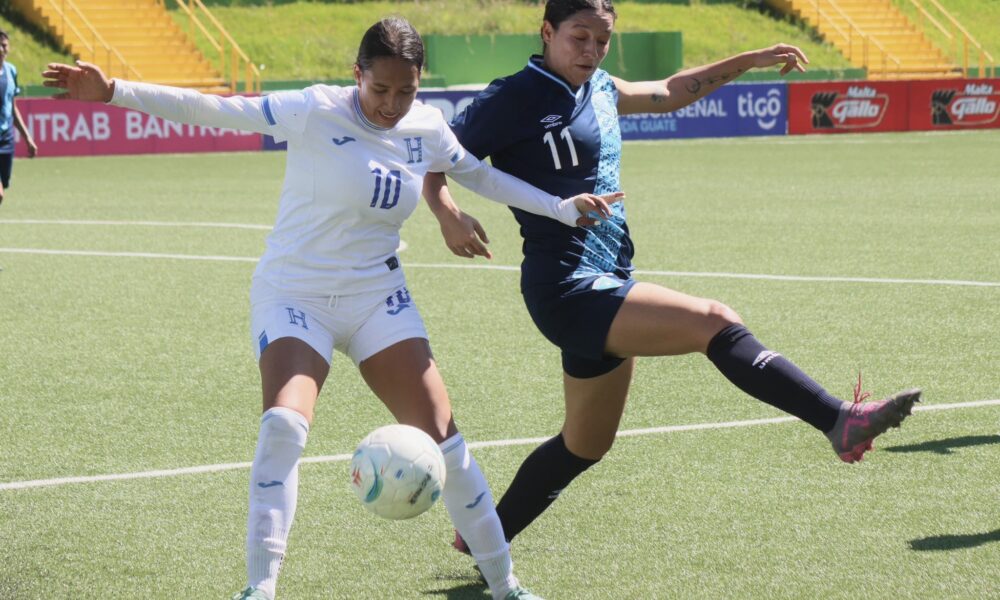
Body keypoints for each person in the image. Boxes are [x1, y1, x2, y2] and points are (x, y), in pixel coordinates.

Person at [43, 17, 621, 600]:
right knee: (284, 426)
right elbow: (214, 108)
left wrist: (560, 207)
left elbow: (479, 176)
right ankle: (260, 588)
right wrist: (114, 91)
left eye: (406, 91)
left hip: (377, 298)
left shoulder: (426, 126)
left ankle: (506, 587)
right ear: (357, 74)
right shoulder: (314, 109)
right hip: (295, 294)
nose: (392, 104)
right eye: (380, 89)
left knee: (447, 442)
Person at [423, 0, 922, 555]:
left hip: (609, 276)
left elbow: (671, 90)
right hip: (566, 287)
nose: (591, 51)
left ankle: (482, 537)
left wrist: (749, 59)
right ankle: (838, 420)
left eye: (602, 41)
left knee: (585, 444)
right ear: (547, 32)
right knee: (714, 321)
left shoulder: (601, 87)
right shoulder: (512, 96)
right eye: (579, 37)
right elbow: (436, 157)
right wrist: (448, 214)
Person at [0, 29, 39, 206]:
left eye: (4, 45)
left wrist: (27, 138)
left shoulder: (11, 71)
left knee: (4, 184)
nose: (2, 49)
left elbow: (12, 108)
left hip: (6, 138)